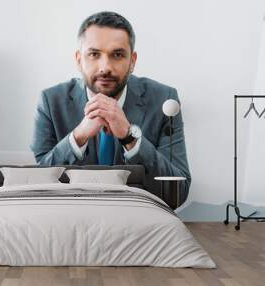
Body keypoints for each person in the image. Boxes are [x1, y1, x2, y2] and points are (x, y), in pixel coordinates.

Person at [30, 11, 191, 204]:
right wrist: (78, 137)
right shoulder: (50, 101)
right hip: (70, 215)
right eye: (94, 54)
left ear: (132, 61)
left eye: (117, 54)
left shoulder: (164, 100)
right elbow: (37, 186)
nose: (105, 67)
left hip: (136, 219)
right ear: (79, 59)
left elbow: (178, 193)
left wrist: (130, 137)